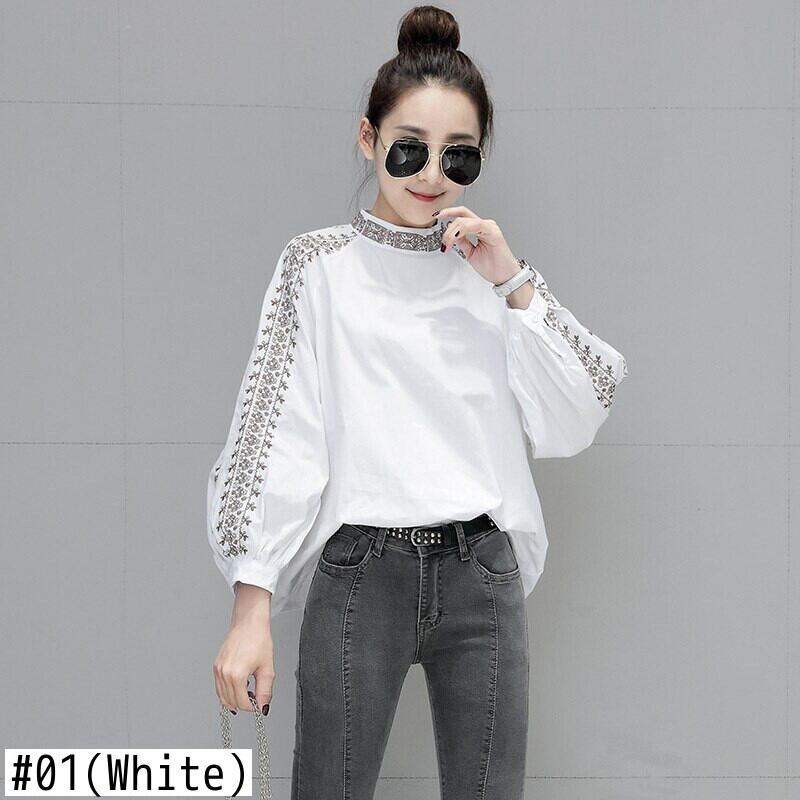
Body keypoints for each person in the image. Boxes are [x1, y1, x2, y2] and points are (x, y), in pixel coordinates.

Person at [208, 5, 628, 798]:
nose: (431, 174)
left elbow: (580, 410)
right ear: (367, 139)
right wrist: (250, 606)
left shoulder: (491, 276)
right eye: (409, 148)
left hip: (482, 575)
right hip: (360, 573)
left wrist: (512, 281)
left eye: (457, 156)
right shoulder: (318, 268)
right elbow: (277, 435)